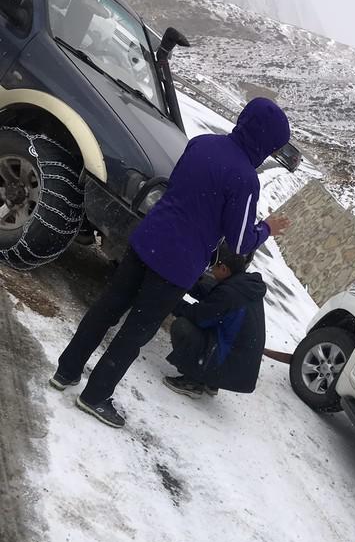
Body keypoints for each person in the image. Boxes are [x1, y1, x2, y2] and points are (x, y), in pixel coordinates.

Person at [49, 98, 291, 428]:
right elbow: (239, 242)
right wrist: (267, 229)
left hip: (147, 240)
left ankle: (66, 370)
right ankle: (94, 396)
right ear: (265, 141)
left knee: (106, 309)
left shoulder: (203, 143)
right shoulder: (246, 180)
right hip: (177, 265)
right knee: (134, 333)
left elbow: (177, 185)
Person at [164, 246, 266, 399]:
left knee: (183, 326)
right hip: (239, 367)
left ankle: (193, 381)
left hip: (228, 362)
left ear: (224, 269)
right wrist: (188, 281)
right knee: (218, 334)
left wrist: (170, 300)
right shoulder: (244, 286)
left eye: (213, 268)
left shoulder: (230, 293)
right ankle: (211, 381)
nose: (211, 272)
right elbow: (213, 298)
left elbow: (199, 317)